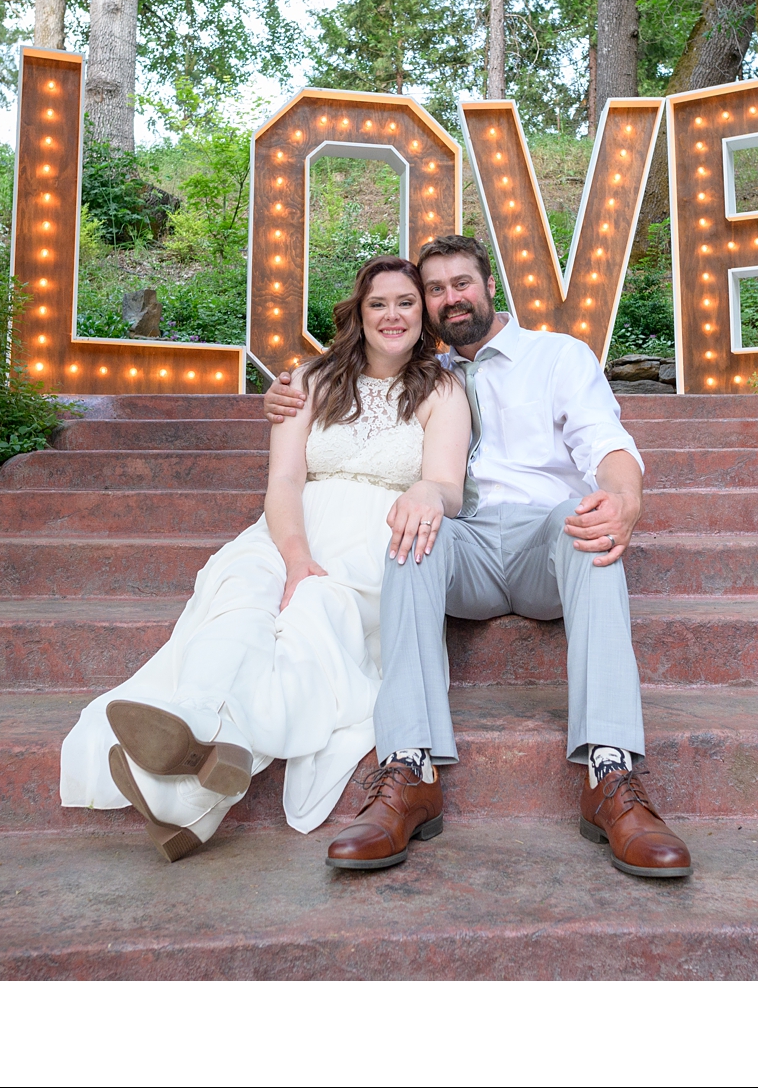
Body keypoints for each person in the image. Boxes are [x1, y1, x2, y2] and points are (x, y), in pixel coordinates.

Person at [264, 233, 692, 879]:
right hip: (462, 542)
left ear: (489, 286)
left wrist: (624, 495)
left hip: (542, 539)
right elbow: (345, 383)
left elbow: (607, 442)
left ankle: (611, 773)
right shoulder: (423, 376)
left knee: (590, 532)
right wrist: (284, 394)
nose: (449, 298)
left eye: (460, 282)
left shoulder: (557, 357)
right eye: (434, 289)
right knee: (410, 535)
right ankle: (410, 770)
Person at [60, 256, 471, 861]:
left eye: (406, 302)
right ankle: (199, 735)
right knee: (241, 593)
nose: (392, 314)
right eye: (378, 302)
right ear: (358, 312)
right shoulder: (306, 382)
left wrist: (426, 492)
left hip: (378, 539)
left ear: (423, 314)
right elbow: (283, 480)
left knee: (312, 618)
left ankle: (191, 788)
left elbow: (448, 486)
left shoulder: (441, 389)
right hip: (289, 528)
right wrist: (295, 556)